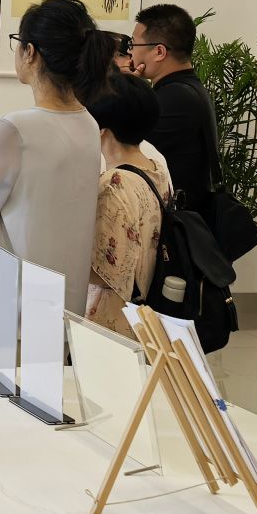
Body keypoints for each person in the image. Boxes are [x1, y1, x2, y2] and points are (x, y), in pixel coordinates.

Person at [0, 0, 106, 365]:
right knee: (42, 398)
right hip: (62, 308)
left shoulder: (14, 129)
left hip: (8, 306)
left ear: (30, 52)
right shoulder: (89, 125)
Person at [83, 73, 166, 330]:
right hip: (146, 313)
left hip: (110, 318)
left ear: (101, 128)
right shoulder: (157, 171)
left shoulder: (114, 183)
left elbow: (107, 273)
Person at [128, 3, 217, 217]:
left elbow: (129, 154)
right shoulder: (185, 89)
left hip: (177, 224)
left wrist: (124, 93)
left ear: (159, 51)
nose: (130, 51)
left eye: (133, 44)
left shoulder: (174, 97)